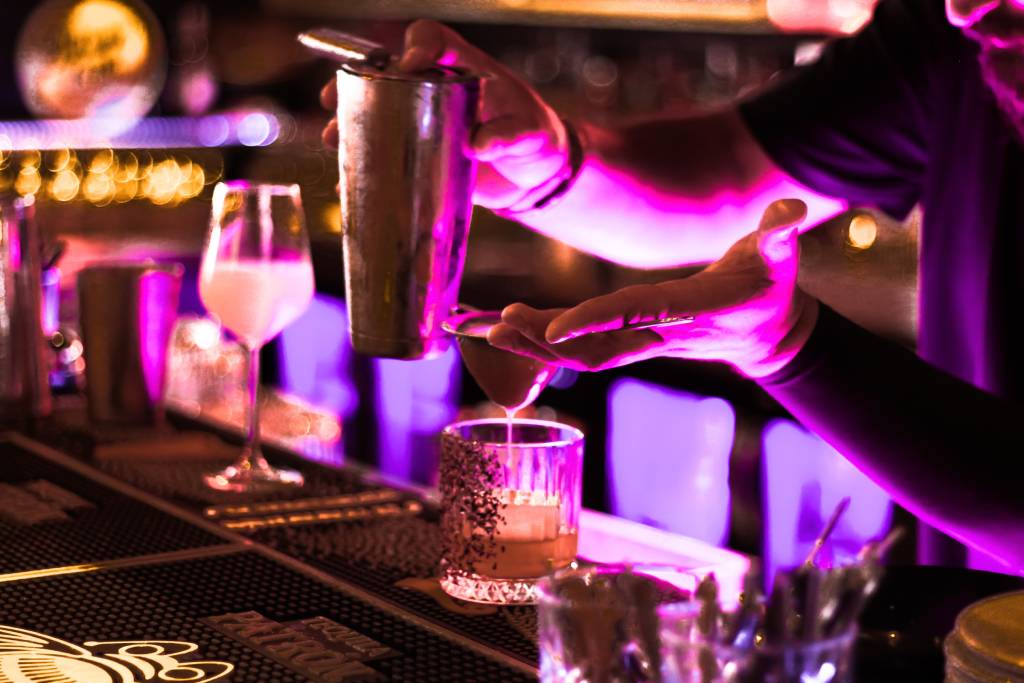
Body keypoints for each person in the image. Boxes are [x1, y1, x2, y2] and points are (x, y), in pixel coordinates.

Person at [321, 0, 1024, 571]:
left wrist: (795, 347)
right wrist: (551, 158)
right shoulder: (956, 32)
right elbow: (728, 164)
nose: (961, 7)